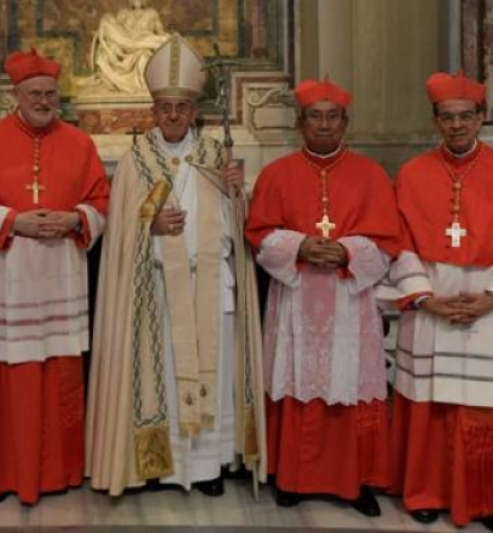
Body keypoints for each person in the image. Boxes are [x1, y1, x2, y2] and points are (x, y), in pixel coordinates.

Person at [86, 33, 266, 497]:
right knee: (159, 376)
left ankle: (207, 468)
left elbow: (238, 231)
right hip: (156, 293)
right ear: (153, 110)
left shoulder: (215, 157)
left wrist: (233, 193)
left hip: (211, 288)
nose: (172, 116)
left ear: (193, 111)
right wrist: (150, 223)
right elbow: (119, 233)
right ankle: (157, 466)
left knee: (214, 373)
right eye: (164, 107)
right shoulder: (135, 162)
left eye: (181, 108)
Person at [0, 48, 110, 505]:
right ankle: (4, 475)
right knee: (9, 376)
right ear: (15, 95)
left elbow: (101, 201)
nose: (43, 101)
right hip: (9, 275)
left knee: (60, 374)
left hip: (61, 274)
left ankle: (58, 472)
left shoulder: (80, 144)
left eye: (50, 94)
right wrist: (12, 221)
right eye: (35, 94)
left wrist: (76, 219)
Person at [244, 77, 401, 516]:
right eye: (316, 116)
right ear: (301, 122)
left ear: (346, 123)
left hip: (349, 299)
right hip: (296, 298)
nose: (325, 125)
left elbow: (389, 240)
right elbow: (258, 233)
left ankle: (353, 482)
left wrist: (348, 250)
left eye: (333, 117)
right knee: (296, 380)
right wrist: (300, 246)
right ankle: (292, 478)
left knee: (348, 383)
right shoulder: (277, 174)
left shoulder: (370, 175)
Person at [381, 71, 493, 531]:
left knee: (479, 403)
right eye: (447, 118)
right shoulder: (412, 173)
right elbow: (399, 241)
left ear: (482, 117)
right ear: (435, 121)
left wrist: (489, 297)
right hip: (429, 299)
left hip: (486, 302)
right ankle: (424, 491)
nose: (457, 125)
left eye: (466, 116)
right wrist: (424, 298)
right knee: (428, 401)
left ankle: (484, 499)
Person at [83, 0, 170, 94]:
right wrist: (110, 47)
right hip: (126, 47)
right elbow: (116, 32)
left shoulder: (151, 14)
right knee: (108, 53)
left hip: (143, 45)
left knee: (144, 58)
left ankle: (143, 88)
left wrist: (165, 37)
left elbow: (160, 31)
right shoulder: (123, 14)